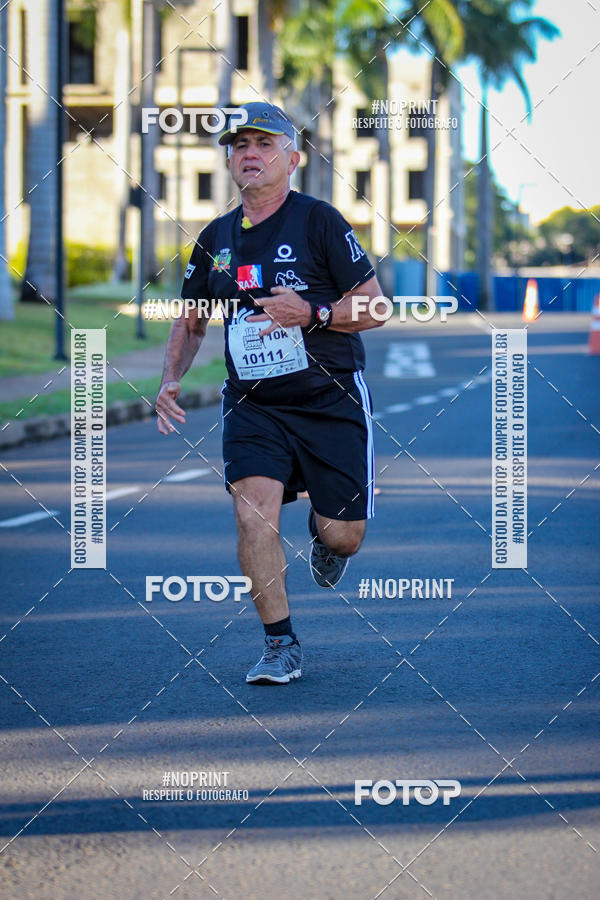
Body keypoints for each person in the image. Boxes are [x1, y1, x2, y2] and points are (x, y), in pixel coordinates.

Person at [156, 102, 384, 685]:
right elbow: (191, 320)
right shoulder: (214, 238)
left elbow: (376, 305)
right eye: (239, 146)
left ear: (293, 157)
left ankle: (324, 536)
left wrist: (315, 313)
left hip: (329, 399)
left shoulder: (320, 222)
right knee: (252, 515)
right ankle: (279, 645)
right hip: (254, 404)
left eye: (263, 144)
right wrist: (171, 378)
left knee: (344, 534)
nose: (249, 154)